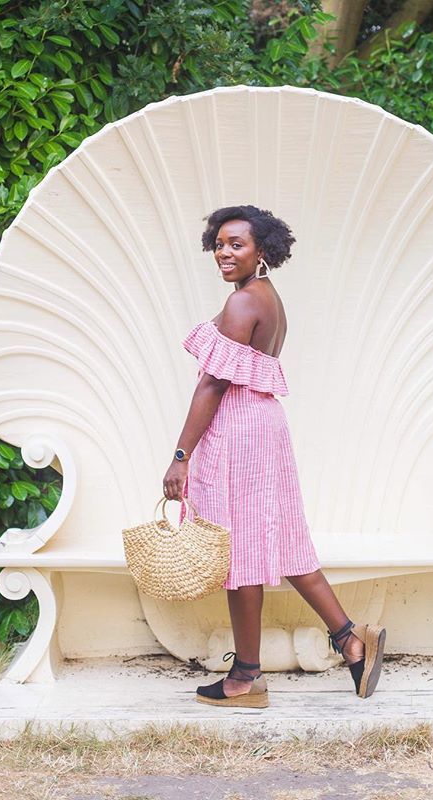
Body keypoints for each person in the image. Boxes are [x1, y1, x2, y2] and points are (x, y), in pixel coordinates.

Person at [162, 205, 385, 708]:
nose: (224, 251)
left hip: (239, 429)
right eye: (219, 243)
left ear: (262, 250)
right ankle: (350, 640)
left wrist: (181, 455)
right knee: (281, 543)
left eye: (236, 244)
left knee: (239, 551)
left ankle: (246, 676)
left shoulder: (243, 302)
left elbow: (214, 383)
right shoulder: (267, 297)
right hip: (263, 426)